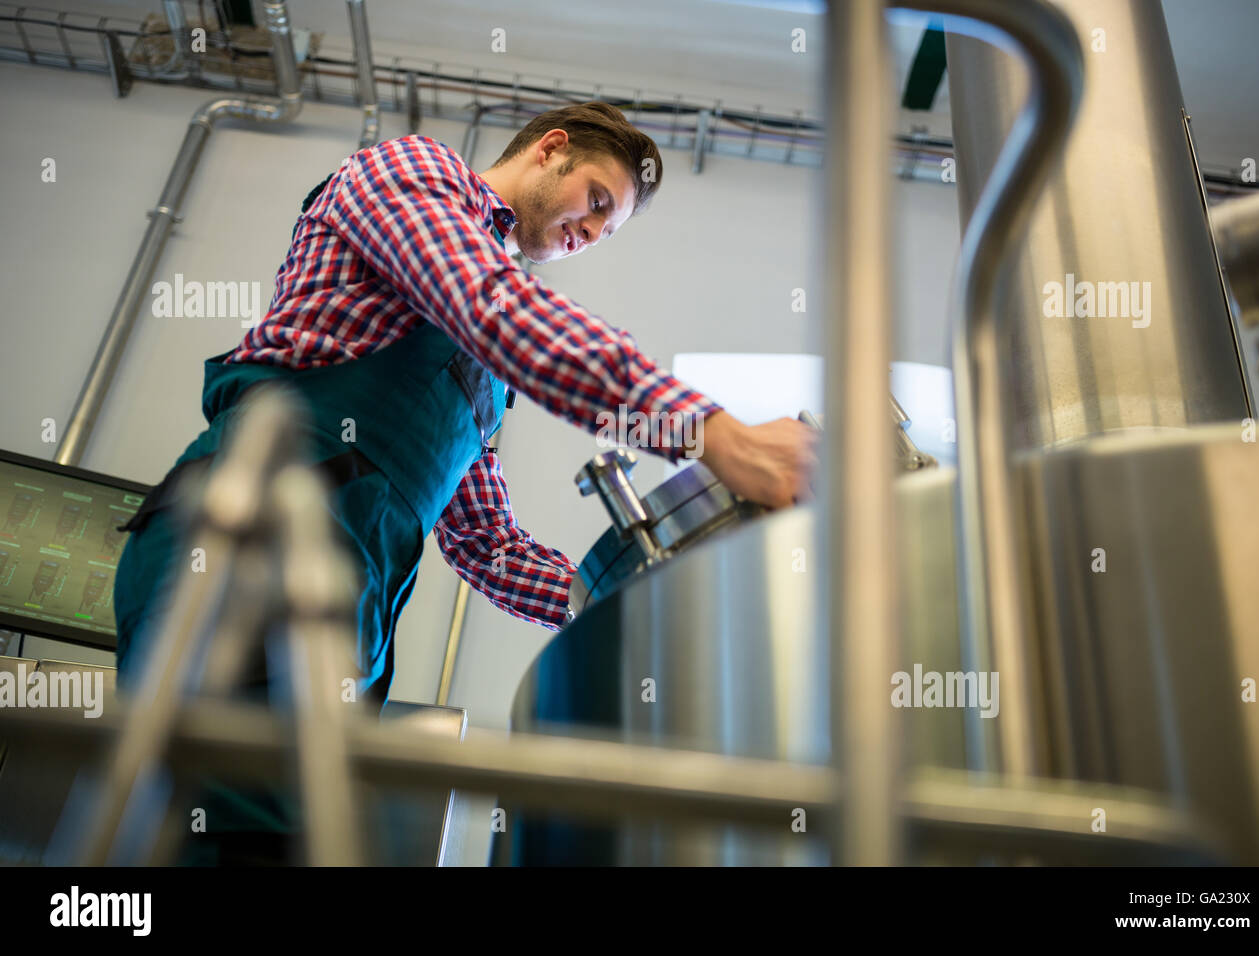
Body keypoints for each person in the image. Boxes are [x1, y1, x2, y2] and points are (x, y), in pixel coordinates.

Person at [112, 101, 817, 863]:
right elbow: (494, 309)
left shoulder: (477, 377)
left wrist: (625, 602)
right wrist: (713, 433)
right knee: (220, 831)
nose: (587, 233)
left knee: (286, 837)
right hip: (252, 537)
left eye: (603, 233)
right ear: (551, 150)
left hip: (353, 599)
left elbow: (488, 546)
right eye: (597, 201)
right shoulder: (415, 174)